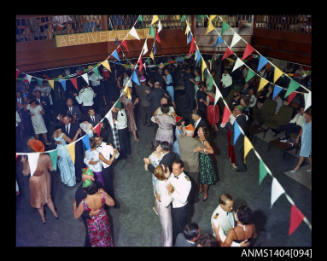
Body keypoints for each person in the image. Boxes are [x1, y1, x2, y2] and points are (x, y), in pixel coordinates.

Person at [20, 139, 59, 224]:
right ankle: (55, 214)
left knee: (38, 200)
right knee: (48, 197)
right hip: (45, 177)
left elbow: (25, 173)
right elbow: (52, 169)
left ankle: (43, 219)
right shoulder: (46, 157)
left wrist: (23, 163)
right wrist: (55, 158)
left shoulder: (29, 160)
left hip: (35, 181)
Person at [73, 179, 115, 247]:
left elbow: (76, 216)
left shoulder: (84, 202)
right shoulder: (102, 195)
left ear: (85, 191)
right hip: (103, 219)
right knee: (105, 236)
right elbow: (112, 203)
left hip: (93, 224)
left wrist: (74, 206)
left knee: (96, 239)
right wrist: (105, 193)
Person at [167, 159, 192, 245]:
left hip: (180, 209)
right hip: (173, 205)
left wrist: (172, 191)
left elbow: (183, 199)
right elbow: (169, 181)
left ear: (182, 169)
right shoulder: (173, 174)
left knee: (180, 230)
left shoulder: (186, 182)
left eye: (176, 169)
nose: (173, 171)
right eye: (172, 168)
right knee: (173, 227)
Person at [178, 124, 202, 202]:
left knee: (185, 183)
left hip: (184, 166)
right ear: (193, 133)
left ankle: (186, 196)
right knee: (194, 184)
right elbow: (206, 151)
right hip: (193, 167)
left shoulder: (180, 139)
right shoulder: (196, 142)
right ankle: (194, 198)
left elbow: (182, 134)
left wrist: (184, 131)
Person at [194, 126, 216, 201]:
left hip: (204, 161)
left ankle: (205, 192)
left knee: (205, 179)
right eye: (198, 131)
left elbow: (212, 151)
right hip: (197, 160)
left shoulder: (205, 141)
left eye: (200, 131)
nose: (197, 132)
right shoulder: (197, 138)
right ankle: (200, 188)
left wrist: (201, 149)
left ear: (204, 133)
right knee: (199, 176)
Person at [94, 135, 119, 200]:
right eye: (95, 140)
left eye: (98, 140)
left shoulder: (108, 146)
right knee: (101, 186)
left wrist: (115, 152)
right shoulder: (93, 147)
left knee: (109, 186)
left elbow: (116, 156)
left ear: (101, 139)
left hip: (106, 169)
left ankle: (112, 200)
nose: (97, 142)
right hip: (97, 170)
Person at [153, 165, 173, 246]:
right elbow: (166, 202)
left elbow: (157, 195)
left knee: (165, 228)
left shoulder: (158, 180)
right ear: (164, 174)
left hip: (159, 204)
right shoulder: (166, 184)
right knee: (168, 231)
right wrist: (171, 193)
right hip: (164, 209)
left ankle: (163, 240)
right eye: (167, 170)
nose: (168, 169)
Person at [61, 114, 84, 183]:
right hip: (68, 148)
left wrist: (80, 133)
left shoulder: (75, 126)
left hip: (77, 147)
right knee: (72, 162)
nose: (65, 121)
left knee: (79, 162)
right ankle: (76, 176)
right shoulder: (62, 128)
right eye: (64, 120)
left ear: (70, 119)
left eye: (66, 119)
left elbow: (81, 135)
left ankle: (81, 177)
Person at [144, 143, 164, 215]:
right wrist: (146, 163)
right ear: (155, 148)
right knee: (157, 193)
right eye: (159, 147)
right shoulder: (151, 157)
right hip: (156, 178)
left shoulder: (163, 153)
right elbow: (146, 168)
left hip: (163, 175)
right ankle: (155, 207)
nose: (161, 147)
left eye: (161, 146)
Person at [291, 108, 312, 173]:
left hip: (308, 141)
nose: (304, 114)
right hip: (303, 139)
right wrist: (298, 137)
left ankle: (297, 167)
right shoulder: (305, 120)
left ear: (309, 114)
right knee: (308, 155)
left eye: (305, 113)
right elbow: (302, 129)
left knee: (302, 153)